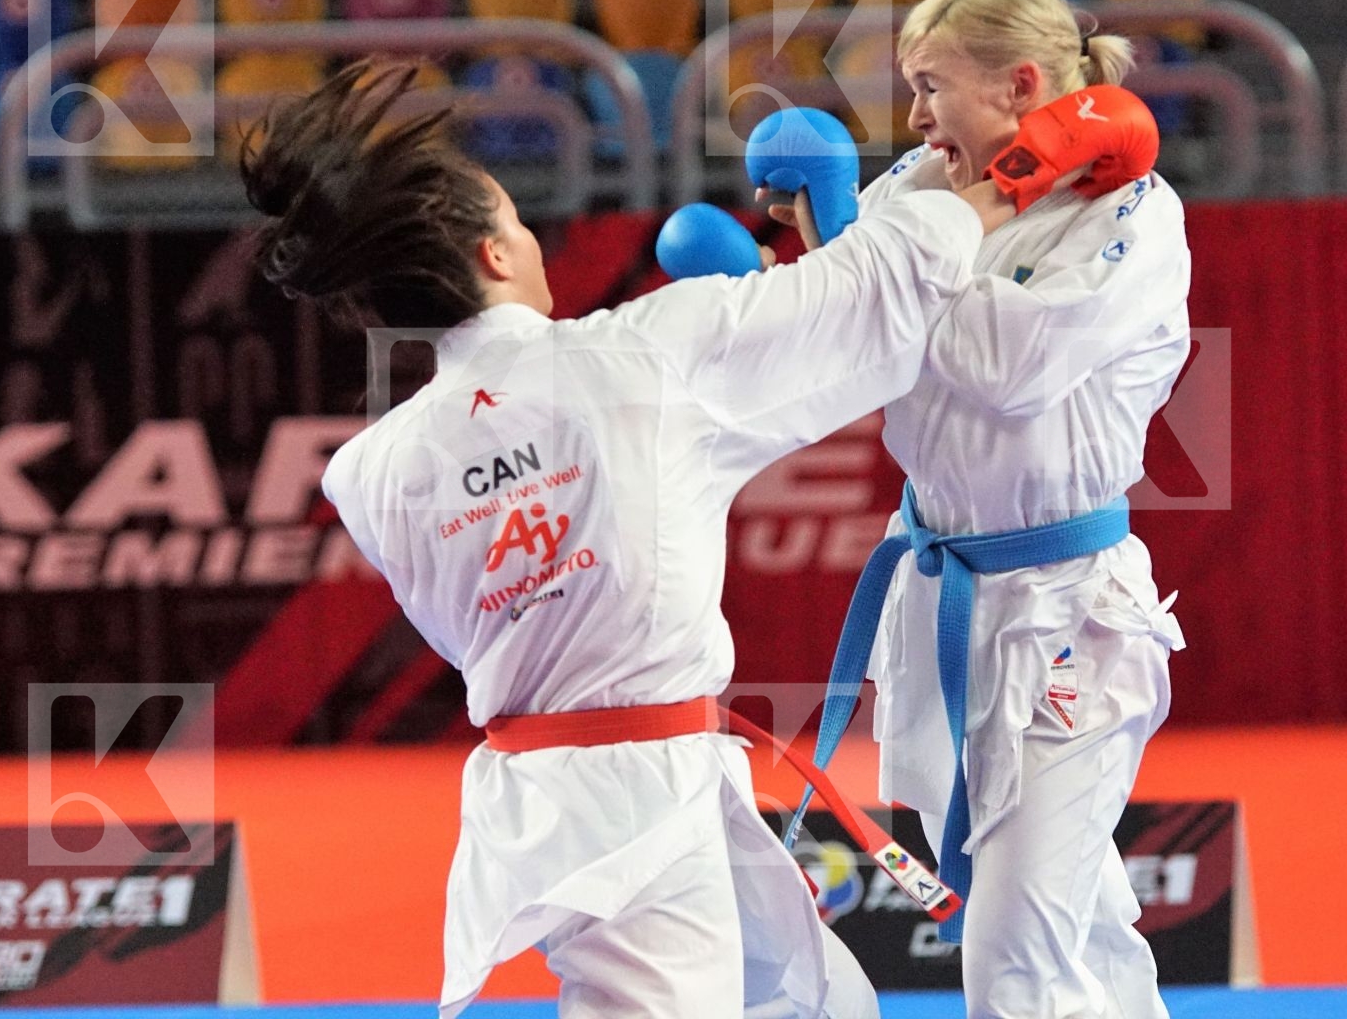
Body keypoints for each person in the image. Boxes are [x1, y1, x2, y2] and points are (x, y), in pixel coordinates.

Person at [238, 59, 1074, 1019]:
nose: (531, 239)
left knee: (821, 1006)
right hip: (633, 797)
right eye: (516, 221)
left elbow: (493, 618)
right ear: (494, 257)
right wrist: (1025, 164)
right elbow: (870, 293)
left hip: (568, 788)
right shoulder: (641, 356)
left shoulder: (372, 473)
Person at [773, 0, 1192, 1018]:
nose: (912, 116)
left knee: (1011, 956)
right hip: (941, 588)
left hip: (1066, 608)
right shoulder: (917, 184)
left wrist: (878, 259)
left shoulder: (1132, 213)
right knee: (1070, 918)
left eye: (930, 85)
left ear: (1015, 86)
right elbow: (847, 340)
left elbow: (1010, 368)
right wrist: (819, 254)